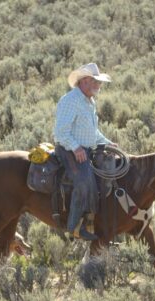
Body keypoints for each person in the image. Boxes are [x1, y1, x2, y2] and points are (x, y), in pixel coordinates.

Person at [53, 62, 115, 240]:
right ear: (84, 81)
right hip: (67, 149)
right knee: (83, 180)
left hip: (84, 149)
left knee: (97, 178)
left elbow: (92, 132)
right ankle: (73, 227)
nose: (99, 85)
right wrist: (76, 147)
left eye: (99, 82)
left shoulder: (89, 101)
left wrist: (108, 143)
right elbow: (60, 132)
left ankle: (89, 222)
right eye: (95, 81)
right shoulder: (70, 100)